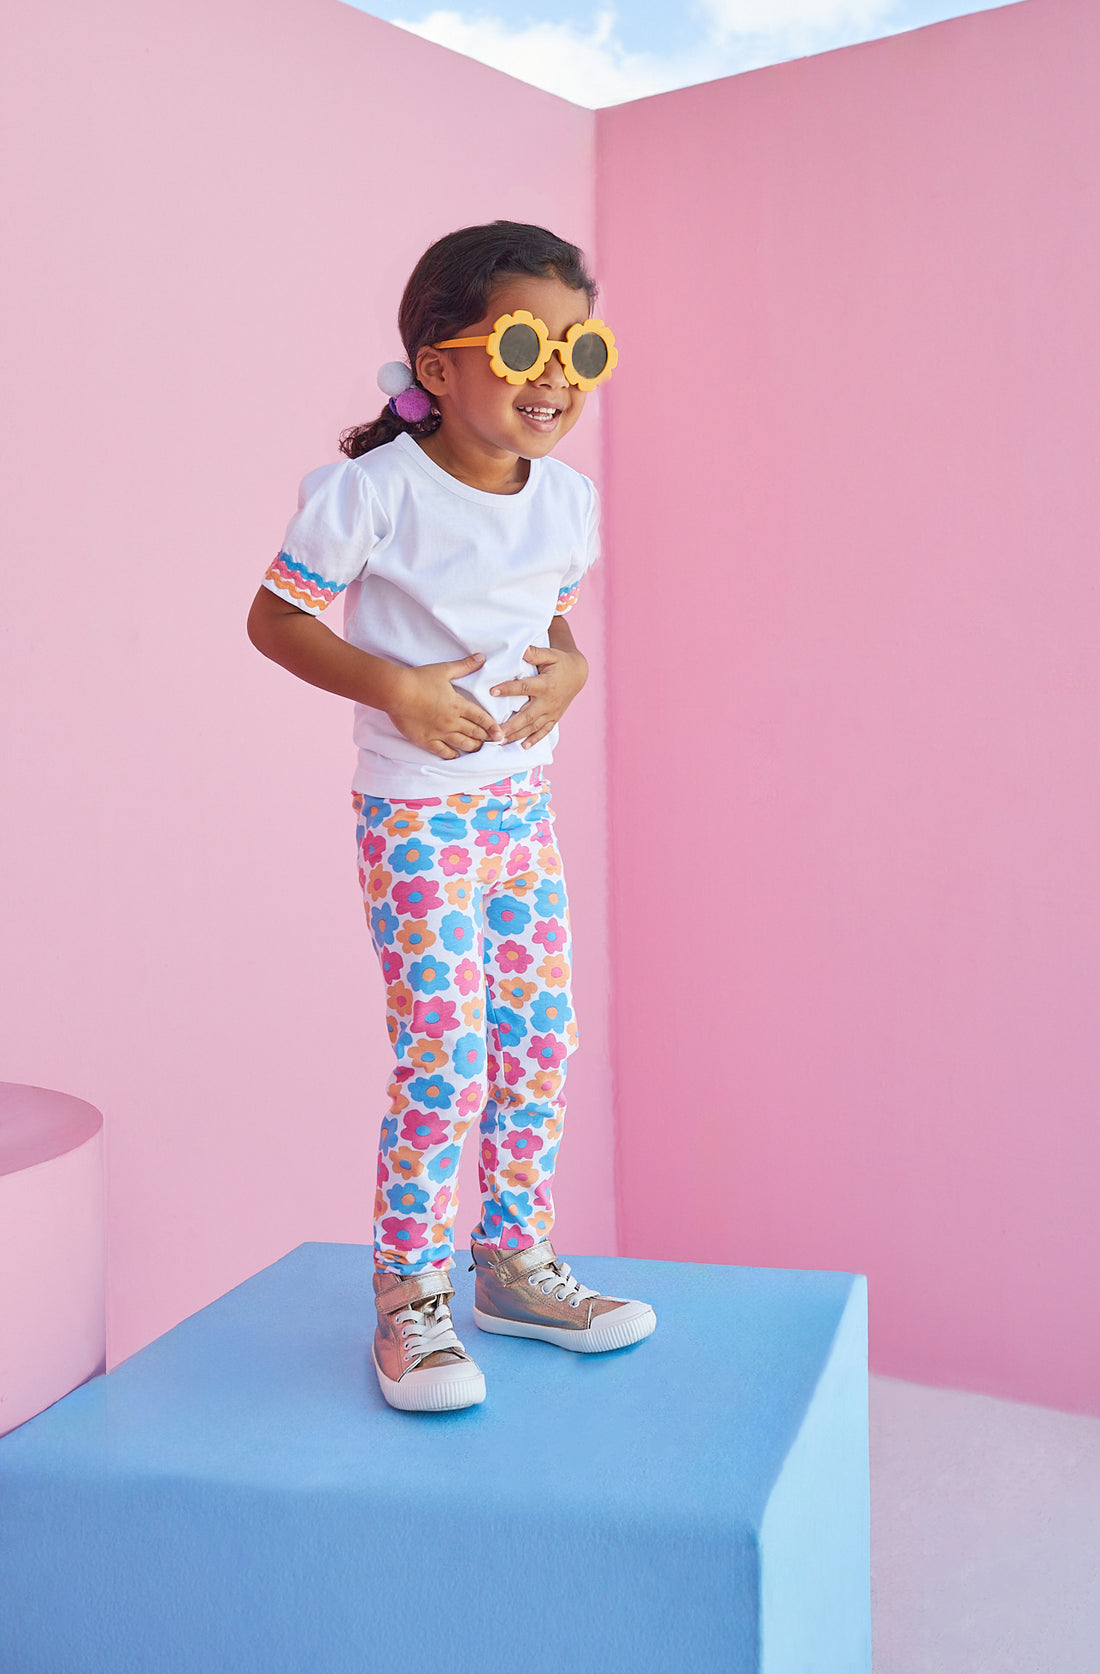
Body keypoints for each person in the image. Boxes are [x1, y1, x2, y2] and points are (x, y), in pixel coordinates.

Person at [247, 221, 655, 1413]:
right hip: (417, 818)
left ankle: (511, 1263)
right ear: (437, 366)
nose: (553, 374)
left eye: (581, 349)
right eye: (526, 340)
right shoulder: (369, 494)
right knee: (447, 1052)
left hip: (517, 811)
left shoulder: (566, 501)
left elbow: (548, 625)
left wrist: (570, 671)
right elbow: (277, 620)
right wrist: (398, 687)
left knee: (540, 1040)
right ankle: (408, 1295)